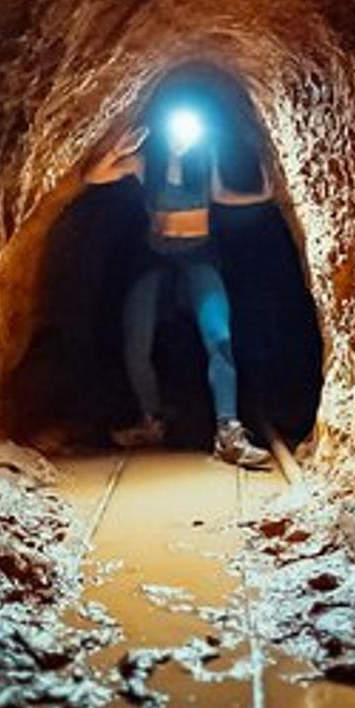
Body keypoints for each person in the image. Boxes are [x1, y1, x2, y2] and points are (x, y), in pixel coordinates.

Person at [86, 108, 274, 469]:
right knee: (136, 342)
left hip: (199, 254)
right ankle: (151, 419)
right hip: (154, 257)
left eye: (191, 131)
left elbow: (221, 195)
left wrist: (262, 196)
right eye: (178, 129)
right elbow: (92, 176)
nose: (184, 138)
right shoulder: (145, 163)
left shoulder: (205, 160)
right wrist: (116, 149)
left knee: (218, 336)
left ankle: (228, 431)